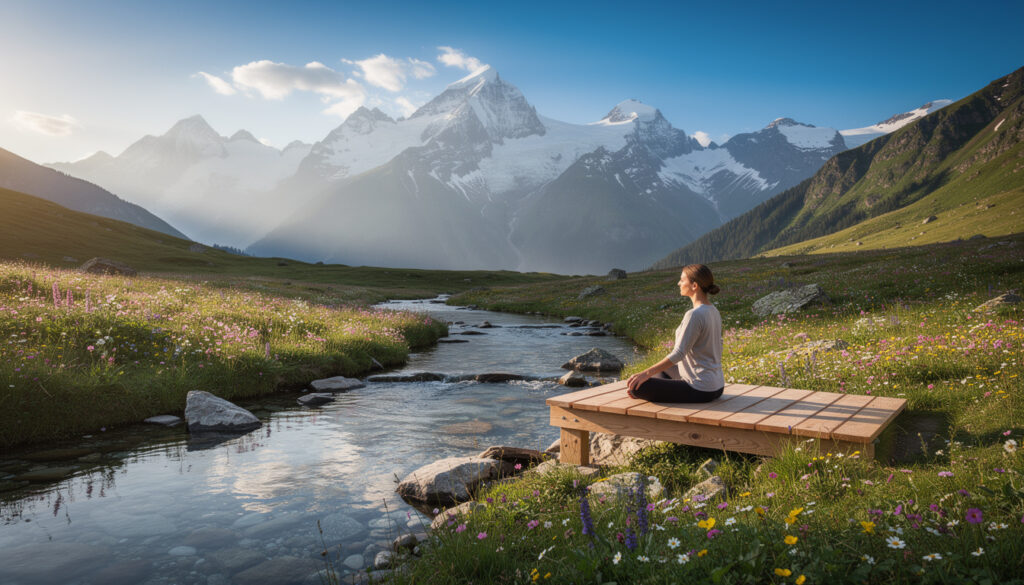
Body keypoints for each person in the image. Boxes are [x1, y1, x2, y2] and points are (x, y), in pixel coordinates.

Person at [626, 264, 725, 403]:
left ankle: (653, 390)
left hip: (700, 389)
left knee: (637, 387)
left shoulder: (694, 315)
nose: (679, 283)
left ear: (694, 285)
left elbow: (679, 354)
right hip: (717, 386)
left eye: (682, 280)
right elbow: (719, 344)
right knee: (662, 371)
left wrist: (645, 373)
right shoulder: (713, 310)